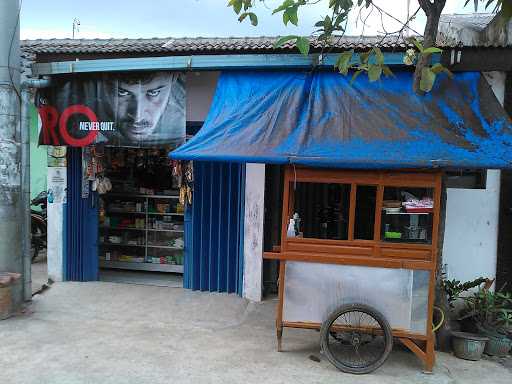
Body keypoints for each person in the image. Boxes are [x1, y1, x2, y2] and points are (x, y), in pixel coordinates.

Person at [106, 71, 186, 146]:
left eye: (154, 92)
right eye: (122, 93)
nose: (137, 117)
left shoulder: (181, 126)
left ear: (174, 77)